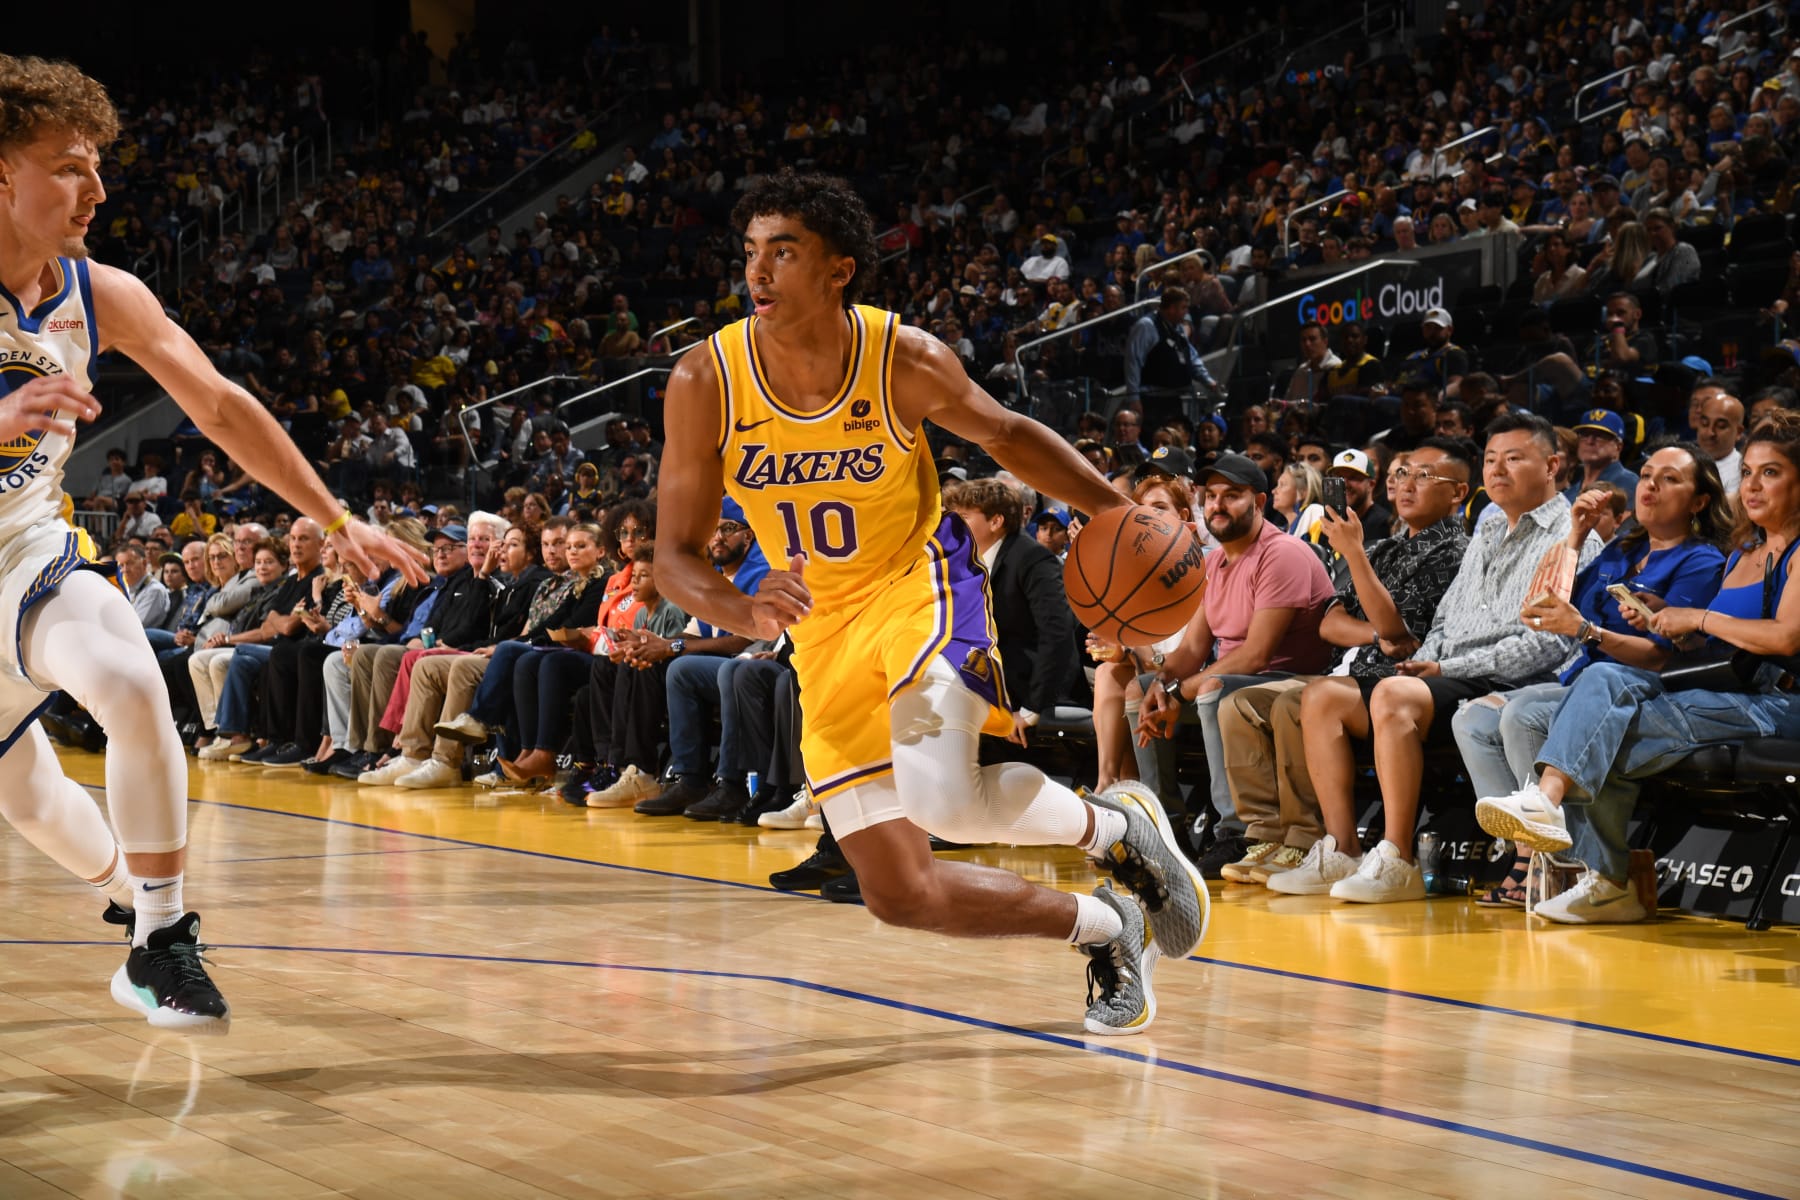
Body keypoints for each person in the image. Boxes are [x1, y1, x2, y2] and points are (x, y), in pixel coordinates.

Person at [656, 168, 1207, 1036]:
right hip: (819, 630)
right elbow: (675, 558)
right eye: (752, 253)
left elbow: (1008, 435)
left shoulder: (899, 357)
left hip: (921, 587)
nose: (757, 273)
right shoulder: (705, 379)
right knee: (900, 895)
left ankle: (1112, 829)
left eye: (784, 253)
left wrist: (1113, 507)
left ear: (839, 269)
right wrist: (743, 608)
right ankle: (1110, 925)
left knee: (945, 801)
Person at [0, 54, 425, 1031]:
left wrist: (333, 515)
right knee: (23, 789)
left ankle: (159, 938)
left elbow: (223, 408)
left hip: (23, 554)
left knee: (127, 673)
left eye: (99, 166)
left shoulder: (100, 293)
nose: (97, 190)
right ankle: (129, 898)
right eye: (68, 166)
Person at [1477, 413, 1800, 923]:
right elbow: (1714, 641)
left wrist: (1696, 615)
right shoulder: (1745, 553)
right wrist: (1669, 618)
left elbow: (1785, 636)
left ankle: (1598, 867)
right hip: (1726, 691)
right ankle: (1590, 861)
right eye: (1751, 472)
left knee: (1596, 726)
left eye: (1773, 472)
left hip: (1780, 703)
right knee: (1598, 706)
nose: (1754, 485)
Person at [1454, 443, 1729, 906]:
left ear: (1700, 502)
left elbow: (1662, 659)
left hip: (1641, 684)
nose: (1651, 486)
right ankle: (1528, 850)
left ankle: (1553, 857)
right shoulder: (1624, 548)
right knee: (1472, 721)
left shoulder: (1701, 561)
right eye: (1645, 475)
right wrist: (1576, 537)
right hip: (1586, 678)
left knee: (1523, 714)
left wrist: (1588, 631)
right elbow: (1542, 608)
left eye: (1669, 478)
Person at [1221, 438, 1472, 890]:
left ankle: (1337, 843)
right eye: (1402, 475)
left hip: (1402, 682)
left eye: (1424, 476)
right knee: (1244, 701)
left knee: (1309, 699)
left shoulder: (1455, 552)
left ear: (1458, 493)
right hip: (1354, 671)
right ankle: (1298, 841)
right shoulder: (1384, 548)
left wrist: (1354, 557)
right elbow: (1330, 622)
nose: (1407, 485)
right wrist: (1373, 630)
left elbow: (1402, 635)